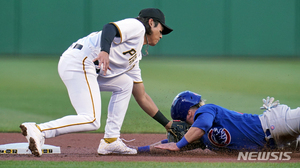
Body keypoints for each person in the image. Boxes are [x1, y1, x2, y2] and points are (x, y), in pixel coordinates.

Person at [19, 8, 173, 157]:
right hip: (80, 61)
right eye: (161, 29)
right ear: (151, 22)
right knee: (91, 119)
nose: (161, 35)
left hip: (85, 66)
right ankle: (39, 130)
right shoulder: (138, 26)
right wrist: (105, 51)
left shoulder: (134, 57)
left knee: (126, 83)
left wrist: (168, 124)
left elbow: (142, 96)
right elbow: (110, 28)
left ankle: (111, 140)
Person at [153, 91, 300, 153]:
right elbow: (165, 146)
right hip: (279, 144)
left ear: (189, 113)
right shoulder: (202, 139)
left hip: (275, 124)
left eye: (181, 121)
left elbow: (202, 124)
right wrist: (137, 150)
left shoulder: (206, 111)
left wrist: (178, 145)